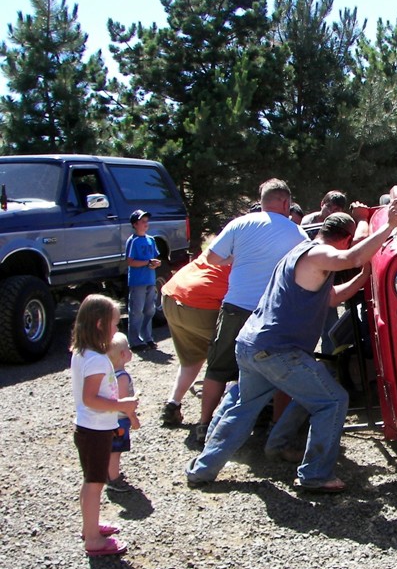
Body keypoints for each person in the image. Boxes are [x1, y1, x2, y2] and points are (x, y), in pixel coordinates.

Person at [185, 194, 397, 492]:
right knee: (333, 400)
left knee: (245, 408)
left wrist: (362, 278)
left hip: (253, 345)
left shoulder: (299, 254)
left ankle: (203, 470)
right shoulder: (319, 254)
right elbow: (352, 257)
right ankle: (315, 475)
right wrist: (388, 226)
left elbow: (330, 298)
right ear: (343, 239)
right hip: (277, 350)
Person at [197, 179, 307, 442]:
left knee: (217, 369)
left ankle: (203, 425)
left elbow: (211, 259)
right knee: (281, 371)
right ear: (285, 202)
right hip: (272, 313)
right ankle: (275, 426)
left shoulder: (239, 224)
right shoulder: (297, 234)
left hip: (236, 306)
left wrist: (236, 258)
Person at [70, 294, 138, 556]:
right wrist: (123, 405)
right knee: (95, 483)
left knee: (90, 481)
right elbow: (90, 398)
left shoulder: (82, 353)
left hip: (87, 428)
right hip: (95, 430)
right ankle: (93, 540)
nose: (116, 329)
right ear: (100, 324)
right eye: (114, 323)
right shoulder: (98, 360)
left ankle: (90, 527)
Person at [159, 250, 231, 437]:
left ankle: (172, 404)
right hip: (201, 303)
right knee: (226, 360)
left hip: (171, 295)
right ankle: (208, 422)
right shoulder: (246, 260)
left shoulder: (219, 251)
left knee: (190, 358)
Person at [106, 332, 141, 493]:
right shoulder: (122, 377)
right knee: (116, 450)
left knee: (109, 448)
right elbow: (123, 403)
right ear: (122, 355)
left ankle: (108, 473)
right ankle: (113, 478)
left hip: (107, 417)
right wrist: (133, 419)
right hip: (119, 420)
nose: (130, 351)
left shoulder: (107, 374)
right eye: (127, 349)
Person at [126, 209, 161, 351]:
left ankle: (147, 338)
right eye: (142, 221)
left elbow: (155, 258)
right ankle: (134, 341)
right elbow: (130, 261)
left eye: (147, 221)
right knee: (136, 311)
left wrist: (156, 264)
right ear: (135, 224)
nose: (146, 224)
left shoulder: (151, 240)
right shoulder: (133, 241)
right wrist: (147, 263)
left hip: (150, 280)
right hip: (137, 281)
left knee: (149, 310)